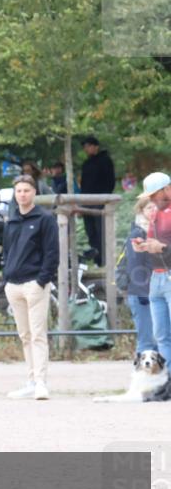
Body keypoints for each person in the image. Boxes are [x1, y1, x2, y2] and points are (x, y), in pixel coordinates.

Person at [2, 175, 60, 401]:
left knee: (38, 335)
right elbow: (6, 252)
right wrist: (5, 279)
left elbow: (52, 253)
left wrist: (42, 280)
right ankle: (30, 380)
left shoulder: (45, 219)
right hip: (13, 285)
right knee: (25, 336)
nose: (22, 195)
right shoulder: (11, 220)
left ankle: (41, 383)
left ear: (34, 192)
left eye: (26, 190)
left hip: (34, 284)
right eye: (18, 191)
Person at [132, 172, 171, 364]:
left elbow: (162, 246)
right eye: (150, 196)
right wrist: (143, 245)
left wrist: (162, 247)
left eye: (155, 195)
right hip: (157, 277)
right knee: (161, 335)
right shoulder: (155, 213)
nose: (153, 200)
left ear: (167, 189)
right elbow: (153, 243)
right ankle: (168, 381)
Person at [119, 195, 157, 355]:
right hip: (141, 292)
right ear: (141, 211)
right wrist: (143, 293)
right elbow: (135, 266)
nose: (154, 210)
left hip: (156, 290)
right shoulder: (138, 233)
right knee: (147, 340)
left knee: (158, 338)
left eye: (156, 207)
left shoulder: (158, 230)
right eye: (149, 207)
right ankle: (141, 376)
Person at [80, 136, 115, 266]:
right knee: (91, 231)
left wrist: (104, 200)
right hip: (86, 202)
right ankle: (97, 259)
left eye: (88, 146)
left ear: (95, 146)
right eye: (85, 147)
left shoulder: (105, 161)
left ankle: (105, 259)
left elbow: (110, 181)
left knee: (101, 231)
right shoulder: (86, 164)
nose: (86, 149)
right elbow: (83, 184)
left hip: (100, 201)